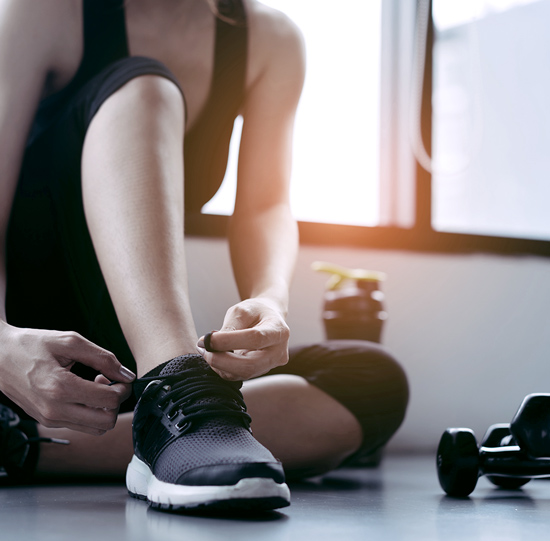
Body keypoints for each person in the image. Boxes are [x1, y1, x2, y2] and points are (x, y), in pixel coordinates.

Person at [0, 0, 409, 512]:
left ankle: (31, 445)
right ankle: (176, 392)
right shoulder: (45, 11)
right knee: (144, 84)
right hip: (24, 360)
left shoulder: (271, 41)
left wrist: (270, 298)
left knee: (372, 379)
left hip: (122, 372)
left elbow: (264, 205)